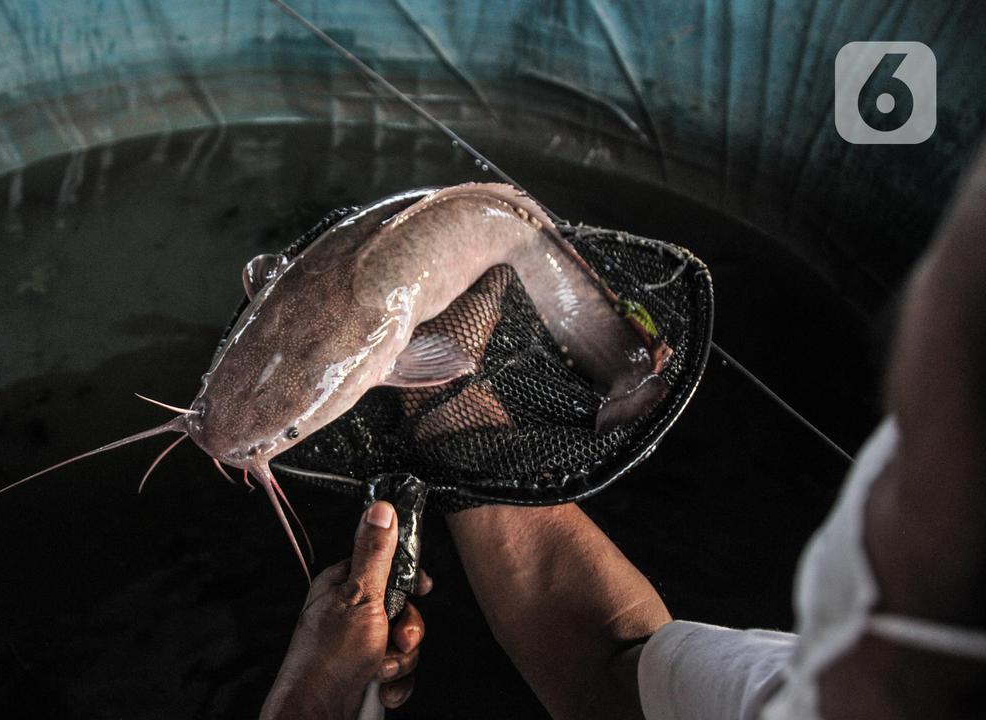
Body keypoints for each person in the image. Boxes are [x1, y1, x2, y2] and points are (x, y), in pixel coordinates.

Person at [261, 148, 986, 720]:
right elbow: (611, 668)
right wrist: (449, 406)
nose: (866, 492)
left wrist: (313, 704)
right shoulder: (788, 692)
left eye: (900, 469)